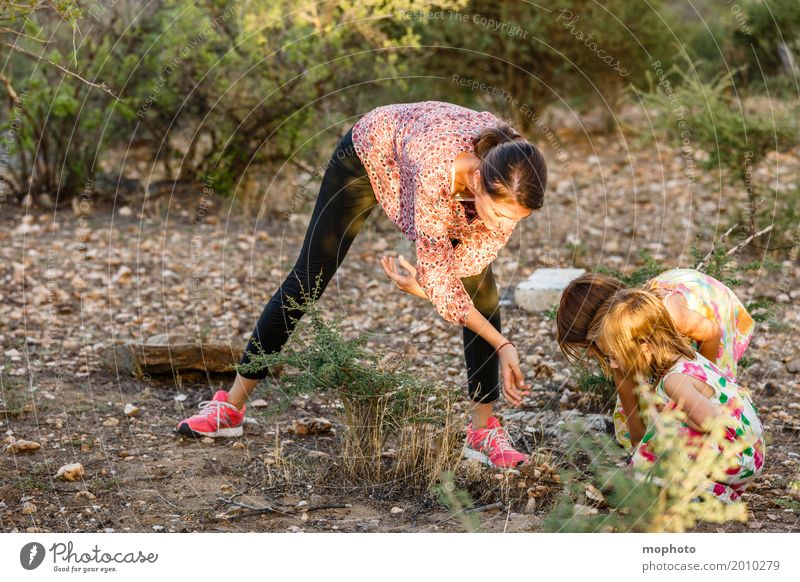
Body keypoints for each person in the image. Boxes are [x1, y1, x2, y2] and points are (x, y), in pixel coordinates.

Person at [176, 101, 548, 469]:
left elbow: (458, 274)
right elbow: (440, 278)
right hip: (371, 152)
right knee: (309, 277)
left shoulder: (514, 173)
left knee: (481, 291)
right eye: (499, 215)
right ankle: (230, 407)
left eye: (516, 218)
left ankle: (483, 432)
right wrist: (501, 343)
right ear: (479, 181)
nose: (503, 226)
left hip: (433, 166)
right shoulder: (437, 168)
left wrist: (432, 288)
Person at [588, 289, 765, 503]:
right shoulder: (687, 358)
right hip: (743, 449)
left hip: (739, 455)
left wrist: (673, 414)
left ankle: (661, 487)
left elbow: (710, 421)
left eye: (614, 357)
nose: (613, 365)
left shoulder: (674, 380)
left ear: (644, 348)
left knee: (662, 436)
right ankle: (704, 490)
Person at [556, 268, 754, 449]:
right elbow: (625, 385)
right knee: (655, 397)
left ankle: (725, 445)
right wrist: (637, 443)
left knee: (696, 397)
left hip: (710, 309)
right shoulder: (617, 336)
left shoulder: (672, 314)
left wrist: (699, 376)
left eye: (590, 344)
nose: (591, 353)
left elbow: (710, 333)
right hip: (661, 330)